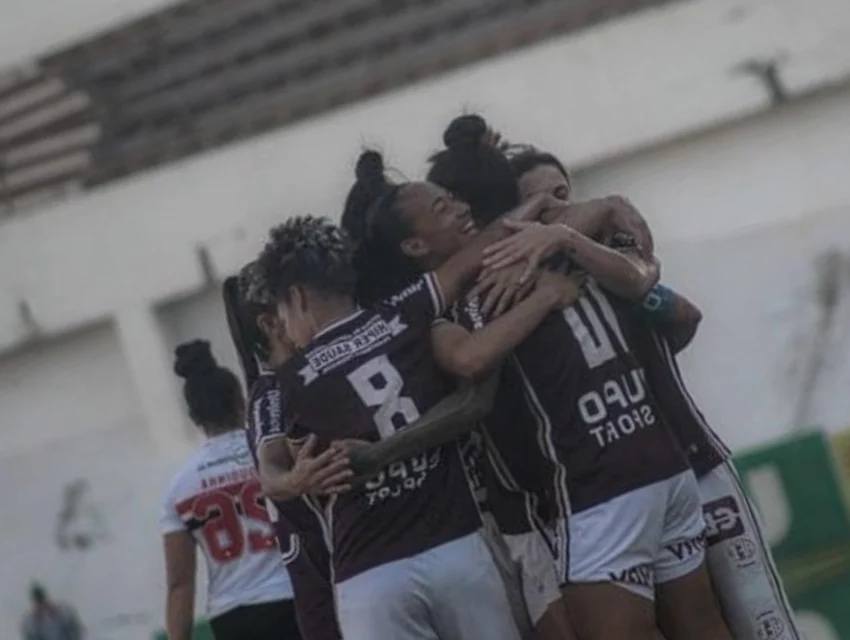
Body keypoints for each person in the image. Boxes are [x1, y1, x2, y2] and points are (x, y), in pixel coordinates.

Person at [421, 115, 731, 640]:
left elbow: (470, 363)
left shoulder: (482, 292)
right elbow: (661, 294)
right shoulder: (582, 242)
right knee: (703, 627)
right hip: (664, 463)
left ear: (467, 214)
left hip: (598, 487)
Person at [508, 143, 800, 640]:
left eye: (563, 194)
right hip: (633, 485)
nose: (559, 208)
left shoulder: (609, 262)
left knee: (755, 618)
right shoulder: (531, 288)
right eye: (541, 202)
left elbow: (683, 314)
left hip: (692, 465)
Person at [254, 208, 585, 640]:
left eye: (282, 311)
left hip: (370, 574)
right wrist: (538, 203)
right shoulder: (404, 312)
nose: (286, 328)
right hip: (458, 549)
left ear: (297, 297)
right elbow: (480, 248)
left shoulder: (285, 381)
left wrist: (296, 478)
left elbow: (269, 475)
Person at [222, 266, 342, 640]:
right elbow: (269, 473)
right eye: (295, 301)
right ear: (272, 324)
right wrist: (295, 480)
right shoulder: (271, 392)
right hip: (325, 582)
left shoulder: (307, 376)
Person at [159, 340, 302, 640]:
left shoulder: (180, 487)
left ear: (195, 418)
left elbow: (180, 583)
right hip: (292, 594)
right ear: (241, 401)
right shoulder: (274, 455)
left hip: (232, 616)